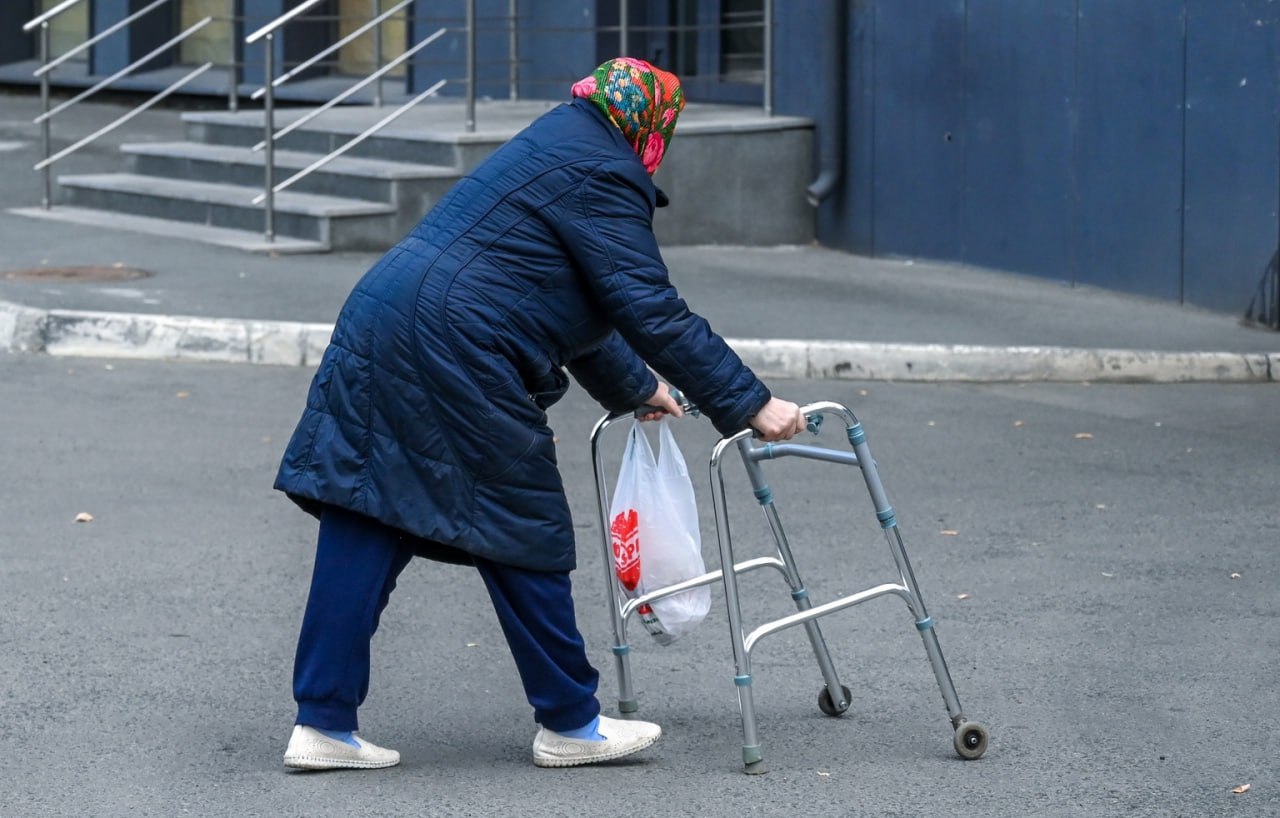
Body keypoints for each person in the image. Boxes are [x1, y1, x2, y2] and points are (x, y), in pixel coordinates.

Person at [274, 57, 808, 771]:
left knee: (368, 514)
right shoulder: (606, 171)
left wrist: (633, 388)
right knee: (520, 525)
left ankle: (323, 722)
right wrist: (751, 403)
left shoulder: (556, 143)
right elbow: (646, 305)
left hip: (383, 320)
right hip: (458, 346)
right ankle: (570, 722)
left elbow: (569, 296)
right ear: (651, 124)